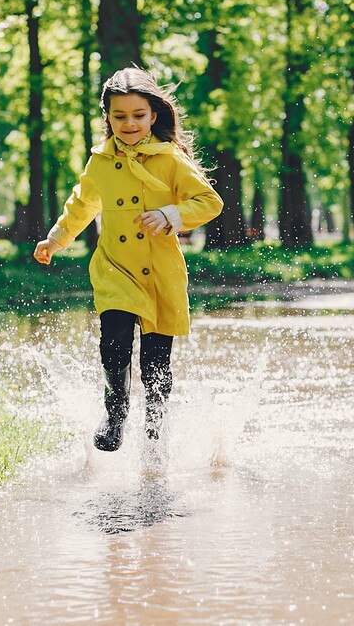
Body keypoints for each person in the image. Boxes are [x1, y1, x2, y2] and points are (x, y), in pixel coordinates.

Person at [33, 67, 223, 452]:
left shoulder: (171, 159)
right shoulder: (100, 162)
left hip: (159, 272)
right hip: (115, 267)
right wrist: (55, 240)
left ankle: (155, 431)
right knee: (114, 342)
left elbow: (209, 202)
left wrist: (170, 214)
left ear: (153, 115)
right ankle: (115, 413)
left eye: (138, 115)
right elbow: (82, 204)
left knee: (156, 363)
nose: (130, 124)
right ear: (108, 118)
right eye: (119, 116)